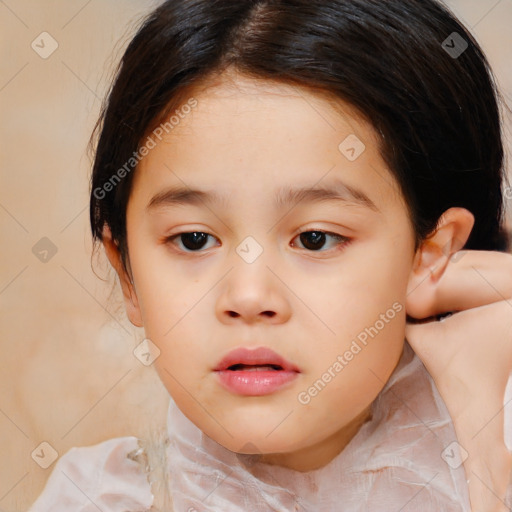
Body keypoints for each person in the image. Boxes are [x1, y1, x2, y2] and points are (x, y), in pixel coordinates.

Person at [28, 0, 512, 510]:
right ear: (126, 272)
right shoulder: (95, 498)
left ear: (433, 253)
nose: (249, 296)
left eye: (315, 239)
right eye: (193, 239)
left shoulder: (495, 461)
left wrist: (485, 453)